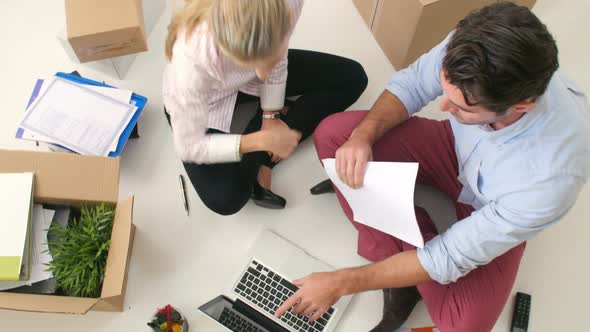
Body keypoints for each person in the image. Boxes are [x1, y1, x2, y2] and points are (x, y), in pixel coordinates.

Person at [277, 3, 590, 332]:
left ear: (520, 107)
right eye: (446, 90)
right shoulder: (478, 41)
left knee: (462, 327)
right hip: (450, 149)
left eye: (461, 107)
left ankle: (399, 246)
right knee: (336, 137)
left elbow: (450, 257)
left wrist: (342, 282)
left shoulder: (551, 181)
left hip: (493, 207)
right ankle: (397, 257)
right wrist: (363, 137)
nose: (442, 106)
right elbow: (413, 84)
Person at [163, 0, 367, 215]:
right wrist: (256, 142)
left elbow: (277, 65)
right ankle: (263, 151)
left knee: (353, 78)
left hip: (252, 64)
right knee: (225, 198)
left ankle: (263, 156)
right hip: (207, 100)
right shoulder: (189, 62)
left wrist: (271, 116)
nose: (262, 74)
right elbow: (189, 146)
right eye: (252, 62)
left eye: (270, 57)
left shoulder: (288, 4)